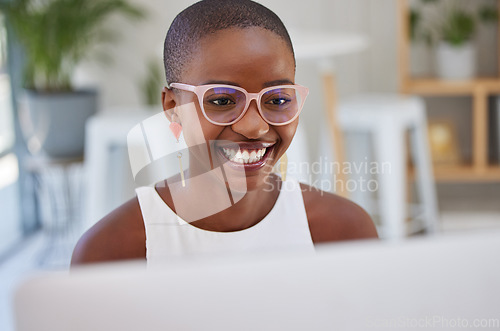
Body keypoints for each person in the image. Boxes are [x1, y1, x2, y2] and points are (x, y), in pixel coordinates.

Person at [71, 0, 378, 266]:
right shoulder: (113, 252)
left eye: (277, 100)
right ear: (172, 107)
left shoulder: (341, 233)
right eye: (222, 100)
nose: (255, 126)